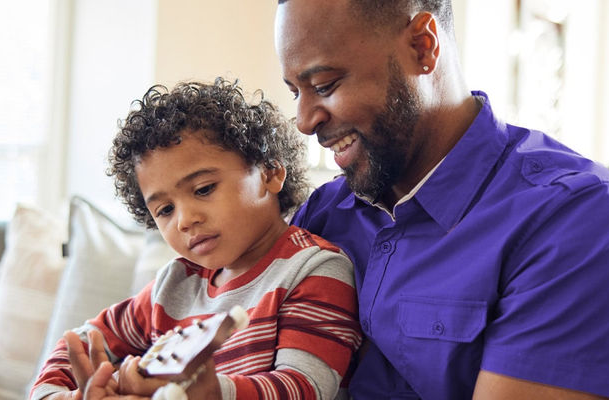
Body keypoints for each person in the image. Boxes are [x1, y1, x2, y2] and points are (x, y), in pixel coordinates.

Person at [275, 1, 609, 399]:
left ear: (422, 46)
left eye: (324, 85)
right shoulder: (324, 214)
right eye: (295, 93)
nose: (305, 121)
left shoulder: (586, 222)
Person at [31, 78, 362, 400]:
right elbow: (80, 342)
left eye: (203, 189)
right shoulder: (174, 285)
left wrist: (211, 393)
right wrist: (55, 393)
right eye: (165, 210)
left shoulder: (314, 270)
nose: (185, 220)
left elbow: (304, 388)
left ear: (270, 173)